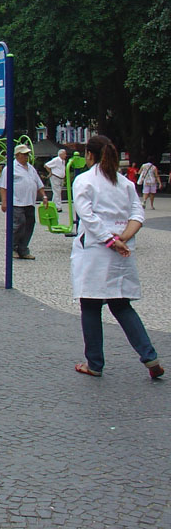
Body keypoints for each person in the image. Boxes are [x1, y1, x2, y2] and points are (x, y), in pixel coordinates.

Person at [70, 135, 163, 380]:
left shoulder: (84, 181)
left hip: (95, 250)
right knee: (121, 304)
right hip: (122, 250)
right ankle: (149, 356)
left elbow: (87, 216)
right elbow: (137, 213)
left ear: (89, 155)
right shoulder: (125, 183)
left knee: (90, 304)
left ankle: (94, 363)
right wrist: (124, 237)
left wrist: (110, 240)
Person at [0, 143, 48, 261]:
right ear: (18, 155)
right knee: (19, 224)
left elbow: (38, 183)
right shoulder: (10, 168)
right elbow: (3, 186)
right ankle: (12, 248)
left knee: (29, 225)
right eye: (24, 154)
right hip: (16, 202)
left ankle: (23, 249)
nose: (27, 157)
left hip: (30, 202)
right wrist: (4, 201)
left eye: (27, 154)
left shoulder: (31, 168)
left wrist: (44, 196)